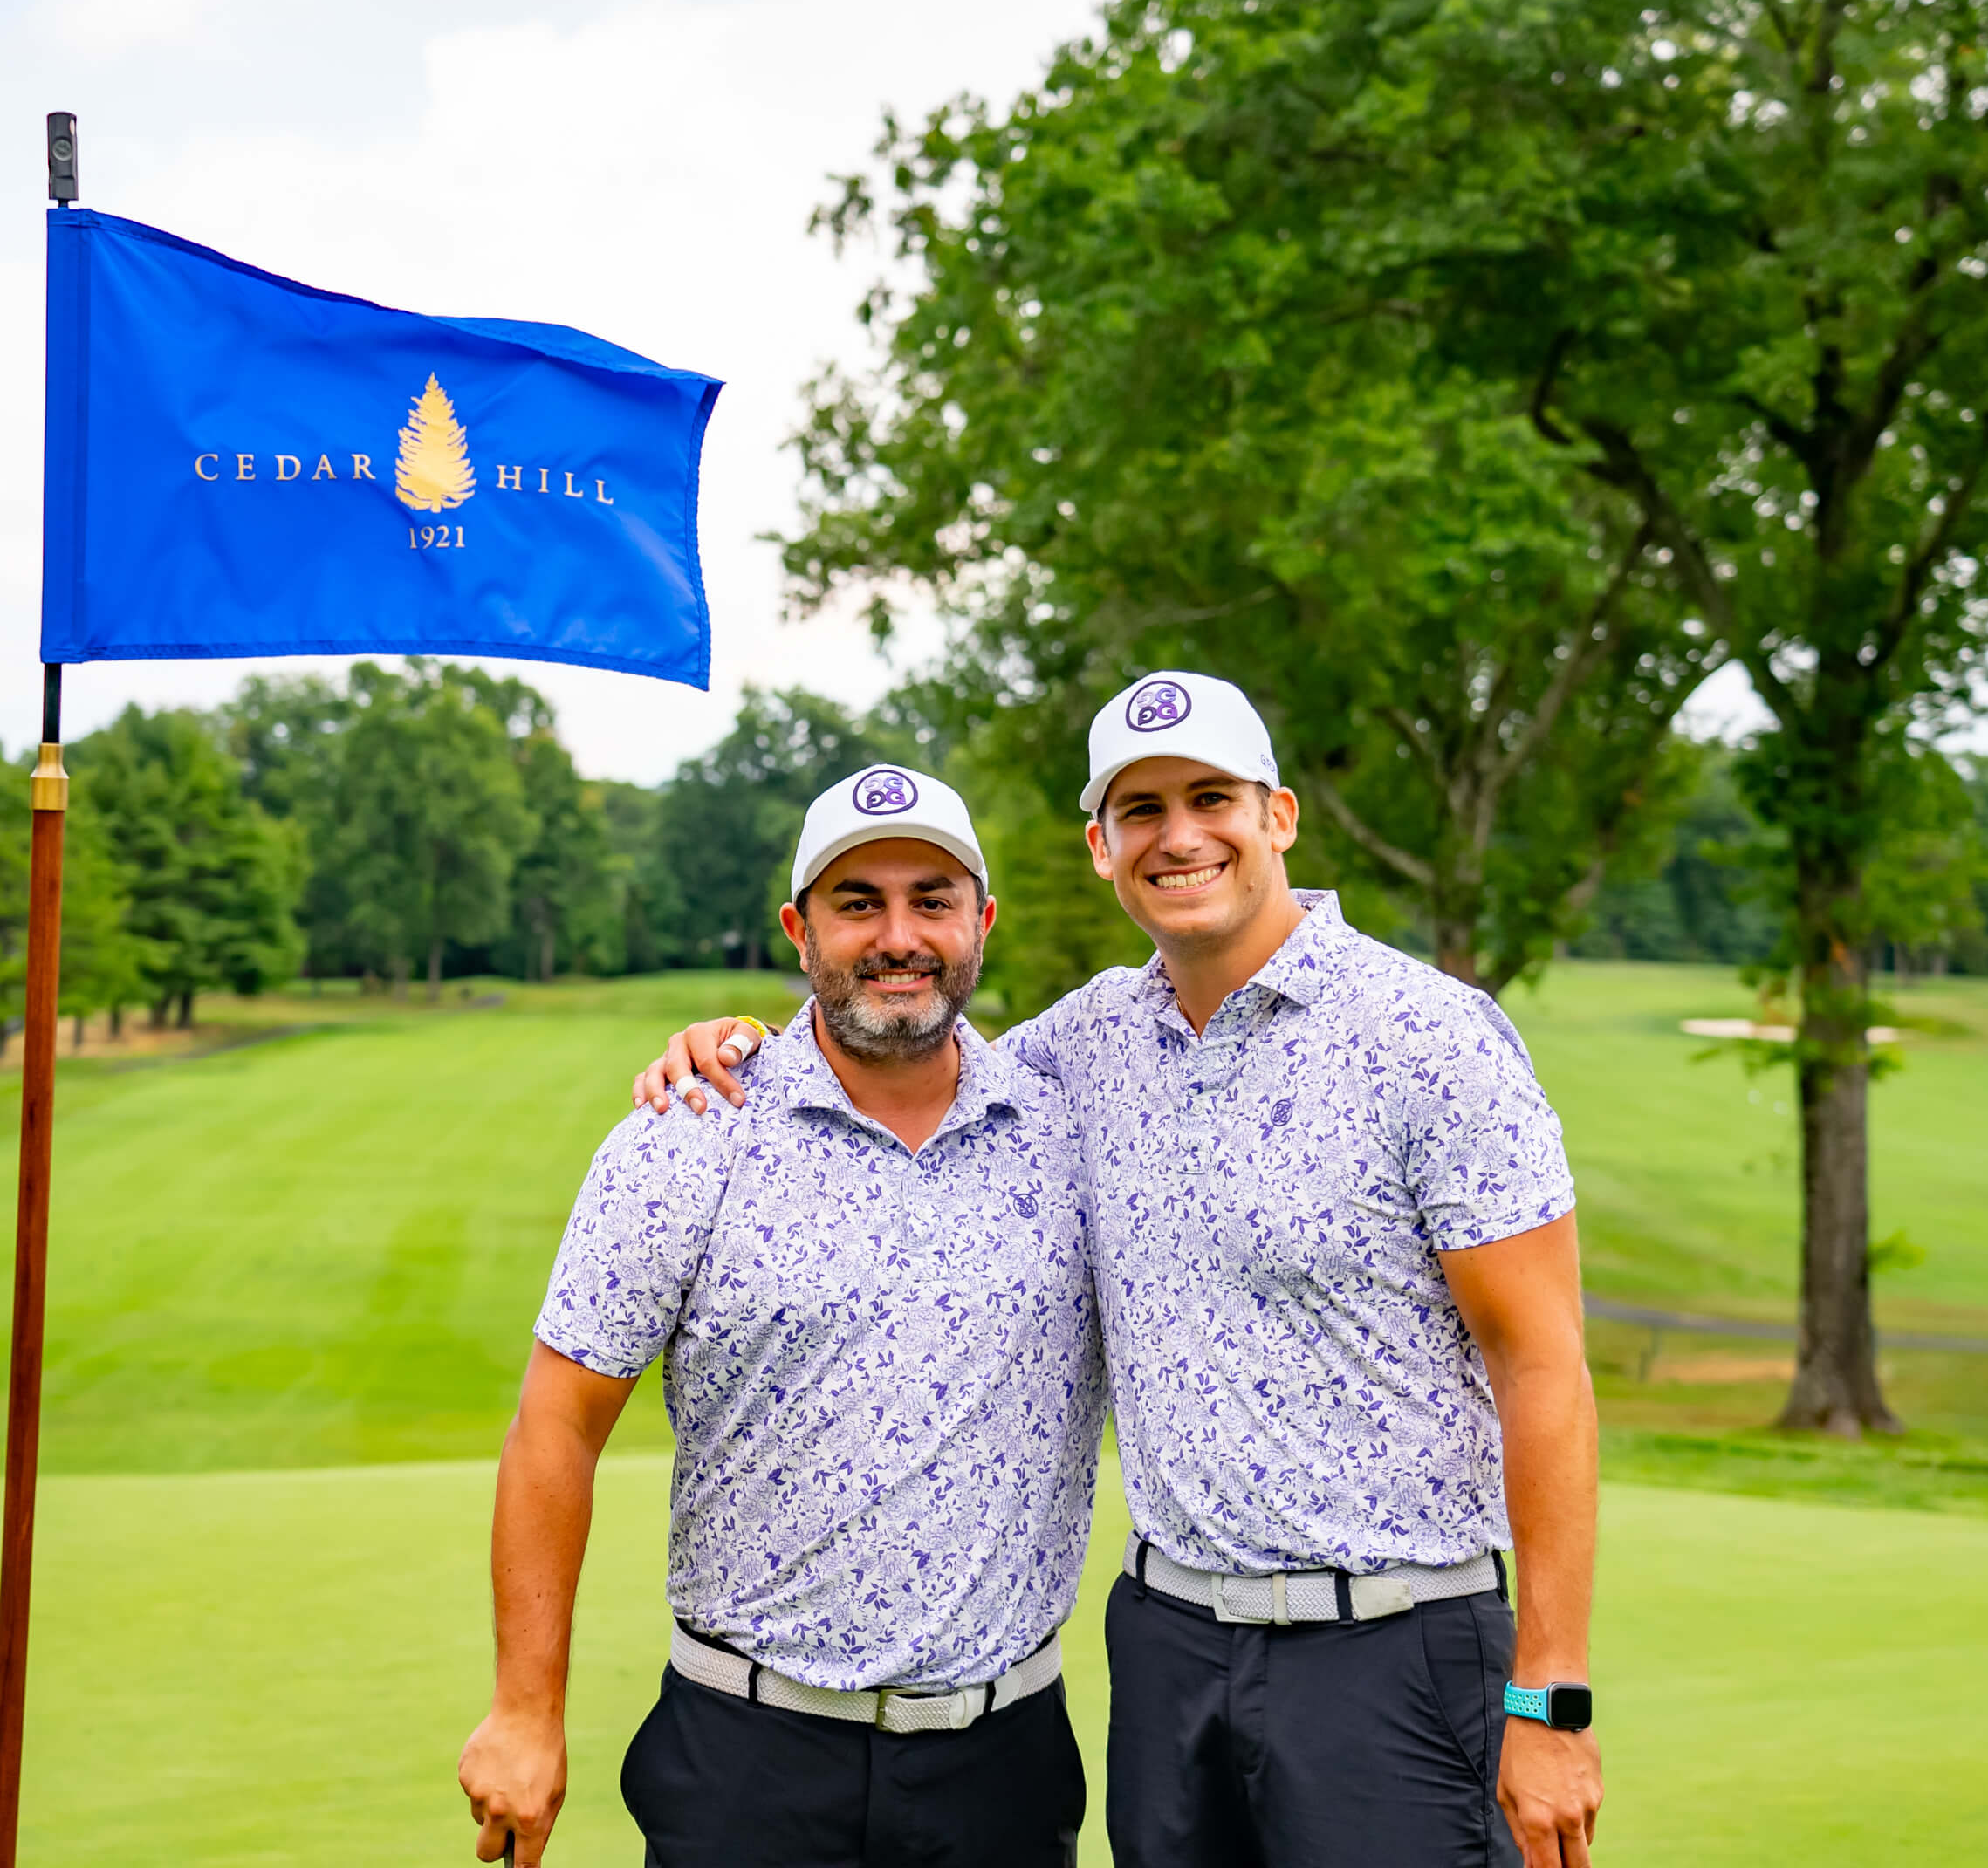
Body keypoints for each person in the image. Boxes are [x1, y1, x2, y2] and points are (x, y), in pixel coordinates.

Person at [634, 673, 1605, 1868]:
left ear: (1279, 816)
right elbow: (903, 1039)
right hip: (1168, 1650)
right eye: (1141, 810)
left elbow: (1542, 1362)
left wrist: (1547, 1700)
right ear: (1101, 847)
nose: (1179, 835)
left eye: (1211, 797)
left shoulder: (1430, 1036)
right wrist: (736, 1045)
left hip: (1392, 1649)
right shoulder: (1080, 1045)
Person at [458, 763, 1107, 1868]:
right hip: (748, 1762)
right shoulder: (690, 1128)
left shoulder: (1069, 1125)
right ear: (799, 929)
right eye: (858, 903)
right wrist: (526, 1709)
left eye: (931, 900)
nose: (898, 935)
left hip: (1002, 1766)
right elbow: (554, 1429)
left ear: (982, 921)